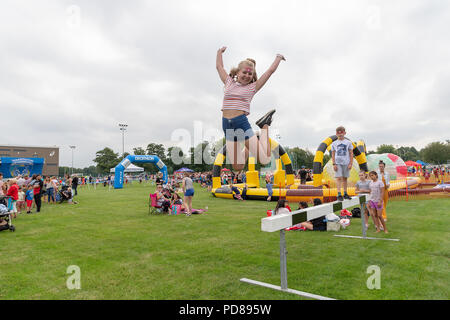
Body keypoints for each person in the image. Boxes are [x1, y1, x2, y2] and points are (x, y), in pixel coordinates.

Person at [216, 46, 286, 172]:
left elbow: (269, 72)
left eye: (250, 74)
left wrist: (278, 58)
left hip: (241, 123)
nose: (247, 75)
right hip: (227, 125)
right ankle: (252, 141)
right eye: (244, 72)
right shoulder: (229, 82)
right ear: (237, 72)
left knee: (264, 160)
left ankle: (264, 126)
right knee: (238, 167)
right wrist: (219, 52)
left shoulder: (252, 87)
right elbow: (219, 67)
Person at [331, 126, 353, 201]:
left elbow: (351, 153)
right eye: (339, 133)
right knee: (339, 177)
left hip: (346, 162)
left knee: (345, 178)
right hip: (338, 162)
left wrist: (350, 163)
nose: (340, 135)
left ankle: (345, 193)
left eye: (342, 133)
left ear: (344, 133)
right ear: (336, 134)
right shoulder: (334, 143)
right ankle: (339, 193)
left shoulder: (348, 142)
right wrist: (334, 164)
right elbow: (333, 154)